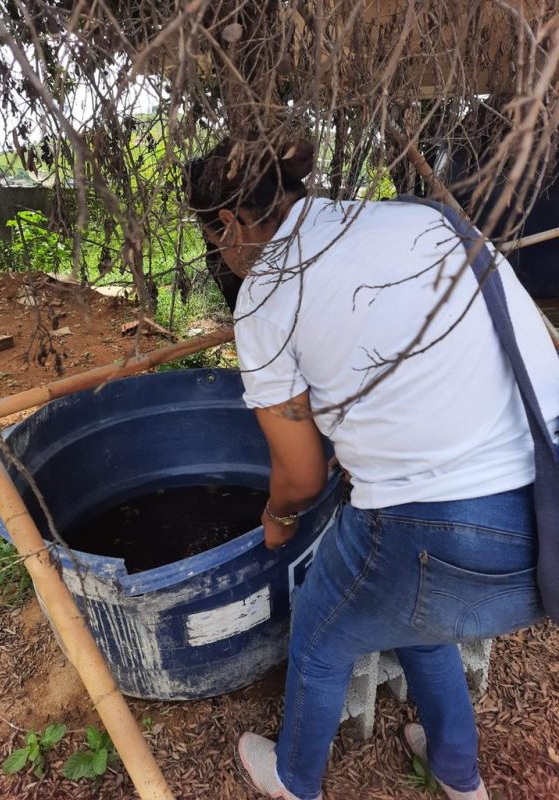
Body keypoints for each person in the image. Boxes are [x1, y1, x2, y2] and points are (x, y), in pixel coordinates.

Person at [184, 135, 559, 800]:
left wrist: (275, 520)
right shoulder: (416, 217)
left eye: (215, 239)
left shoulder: (267, 295)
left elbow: (300, 479)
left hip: (446, 530)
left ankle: (294, 781)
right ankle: (458, 776)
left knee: (325, 626)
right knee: (414, 613)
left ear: (230, 223)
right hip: (547, 517)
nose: (223, 255)